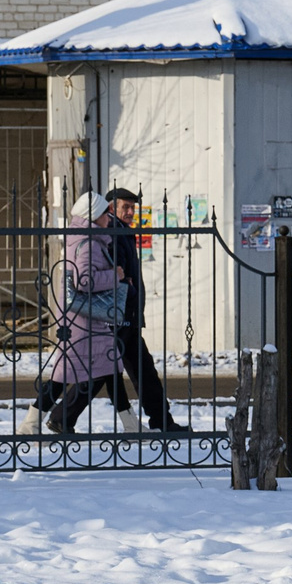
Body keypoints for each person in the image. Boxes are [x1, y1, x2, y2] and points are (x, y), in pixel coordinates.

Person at [95, 186, 193, 434]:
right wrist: (129, 293)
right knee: (102, 372)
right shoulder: (113, 232)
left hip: (127, 314)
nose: (130, 212)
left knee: (142, 370)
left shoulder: (124, 231)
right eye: (125, 207)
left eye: (132, 208)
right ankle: (61, 416)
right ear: (111, 208)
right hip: (119, 315)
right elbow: (116, 274)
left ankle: (162, 421)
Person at [39, 191, 124, 435]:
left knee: (95, 366)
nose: (110, 217)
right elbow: (84, 281)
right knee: (95, 367)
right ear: (95, 216)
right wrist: (114, 277)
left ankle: (57, 418)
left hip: (83, 317)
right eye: (106, 213)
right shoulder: (88, 242)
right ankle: (54, 418)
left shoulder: (87, 238)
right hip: (85, 318)